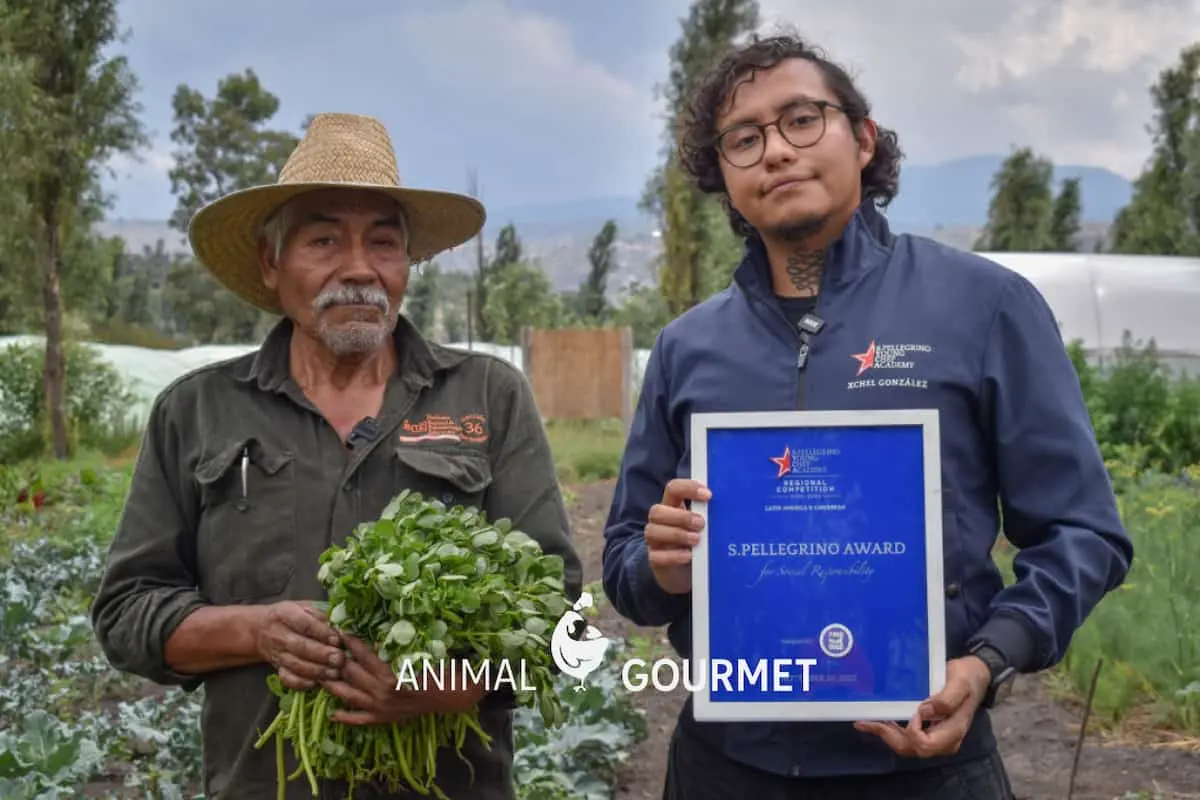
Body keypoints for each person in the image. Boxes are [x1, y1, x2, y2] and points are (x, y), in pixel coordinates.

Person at [601, 32, 1133, 800]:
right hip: (725, 767)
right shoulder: (688, 346)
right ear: (720, 174)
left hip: (926, 762)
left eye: (802, 120)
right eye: (743, 140)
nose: (776, 151)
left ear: (864, 138)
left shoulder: (983, 307)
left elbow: (1084, 532)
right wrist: (657, 567)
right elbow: (624, 556)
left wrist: (986, 661)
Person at [90, 112, 584, 800]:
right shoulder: (195, 410)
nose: (359, 269)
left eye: (383, 243)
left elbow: (558, 614)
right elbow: (125, 613)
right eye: (324, 240)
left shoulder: (488, 396)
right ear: (271, 263)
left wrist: (444, 686)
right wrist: (256, 632)